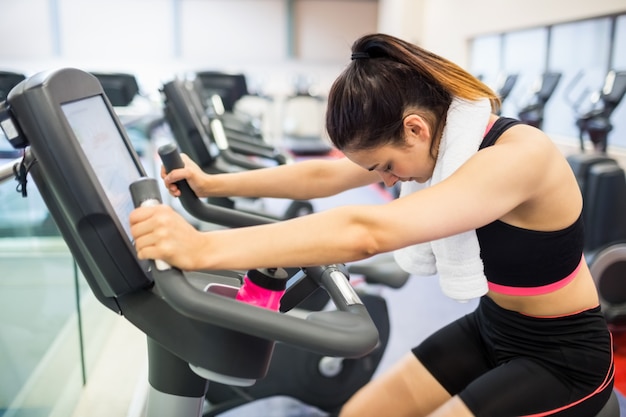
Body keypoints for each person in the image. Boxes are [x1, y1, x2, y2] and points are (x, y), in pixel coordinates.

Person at [129, 33, 614, 417]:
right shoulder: (443, 145)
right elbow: (320, 173)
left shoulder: (518, 156)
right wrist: (210, 184)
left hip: (562, 355)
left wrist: (200, 250)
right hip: (494, 327)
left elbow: (368, 231)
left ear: (415, 128)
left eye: (384, 166)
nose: (386, 179)